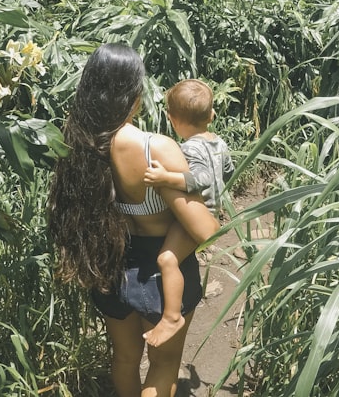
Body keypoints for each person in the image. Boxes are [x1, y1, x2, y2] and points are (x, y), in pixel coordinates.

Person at [48, 44, 220, 397]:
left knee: (125, 360)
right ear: (133, 94)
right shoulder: (154, 147)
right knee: (163, 365)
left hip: (110, 263)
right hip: (159, 272)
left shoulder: (81, 143)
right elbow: (204, 229)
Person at [142, 79, 234, 347]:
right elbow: (226, 172)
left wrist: (166, 178)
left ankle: (172, 316)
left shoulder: (190, 147)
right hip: (211, 209)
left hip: (198, 213)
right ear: (211, 115)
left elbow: (202, 177)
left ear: (171, 119)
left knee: (167, 259)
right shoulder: (218, 142)